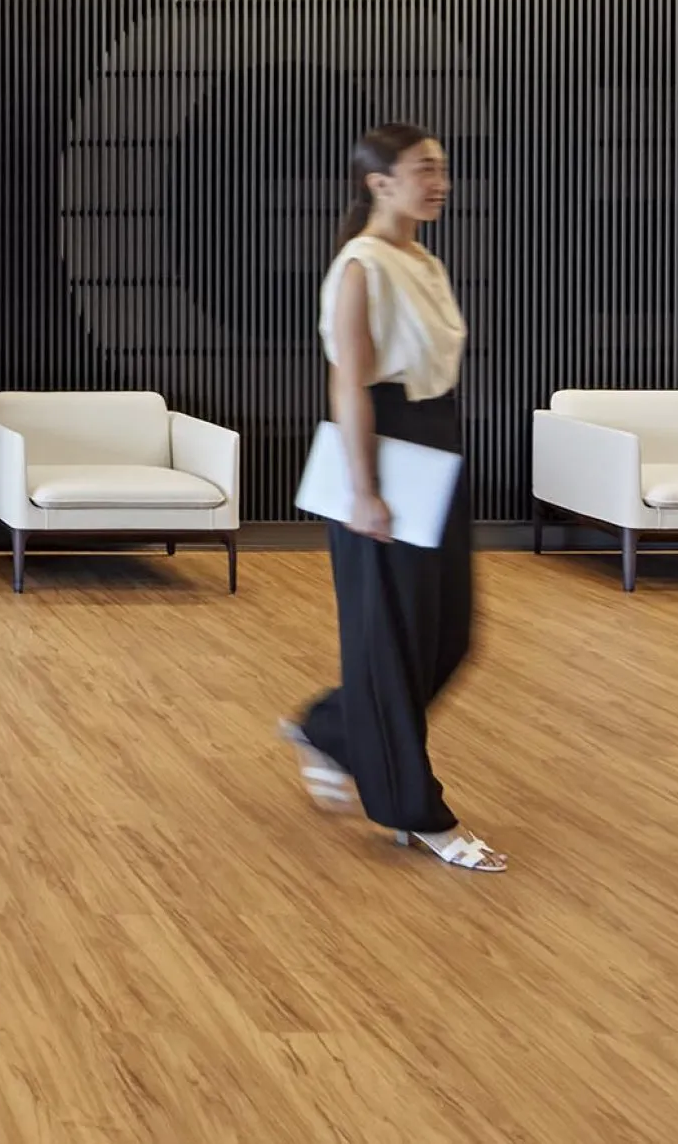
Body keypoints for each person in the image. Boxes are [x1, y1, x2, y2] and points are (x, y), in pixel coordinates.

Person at [281, 124, 505, 874]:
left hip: (437, 444)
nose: (439, 181)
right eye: (423, 169)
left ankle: (332, 728)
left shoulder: (425, 260)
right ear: (379, 182)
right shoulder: (361, 266)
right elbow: (348, 382)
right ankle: (418, 812)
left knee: (450, 638)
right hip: (385, 450)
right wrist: (365, 491)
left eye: (441, 168)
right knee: (390, 642)